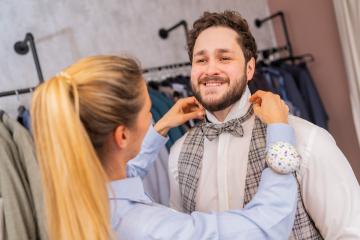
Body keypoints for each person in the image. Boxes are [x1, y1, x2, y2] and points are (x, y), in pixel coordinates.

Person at [31, 55, 300, 240]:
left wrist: (160, 129)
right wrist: (279, 132)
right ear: (121, 136)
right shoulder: (151, 230)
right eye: (148, 111)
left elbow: (127, 176)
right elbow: (267, 227)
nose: (151, 117)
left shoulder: (83, 200)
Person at [168, 10, 360, 239]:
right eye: (201, 60)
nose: (210, 69)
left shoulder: (307, 140)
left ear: (250, 68)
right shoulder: (178, 153)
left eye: (224, 58)